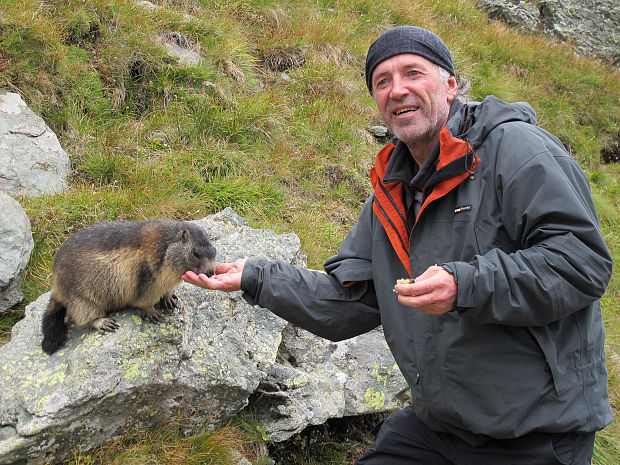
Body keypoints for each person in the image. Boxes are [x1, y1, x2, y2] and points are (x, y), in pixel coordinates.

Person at [183, 26, 613, 464]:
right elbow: (355, 298)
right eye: (382, 81)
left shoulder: (518, 150)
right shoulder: (393, 187)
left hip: (536, 433)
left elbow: (581, 262)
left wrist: (466, 285)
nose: (398, 90)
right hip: (440, 426)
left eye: (413, 73)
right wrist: (256, 277)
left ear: (449, 85)